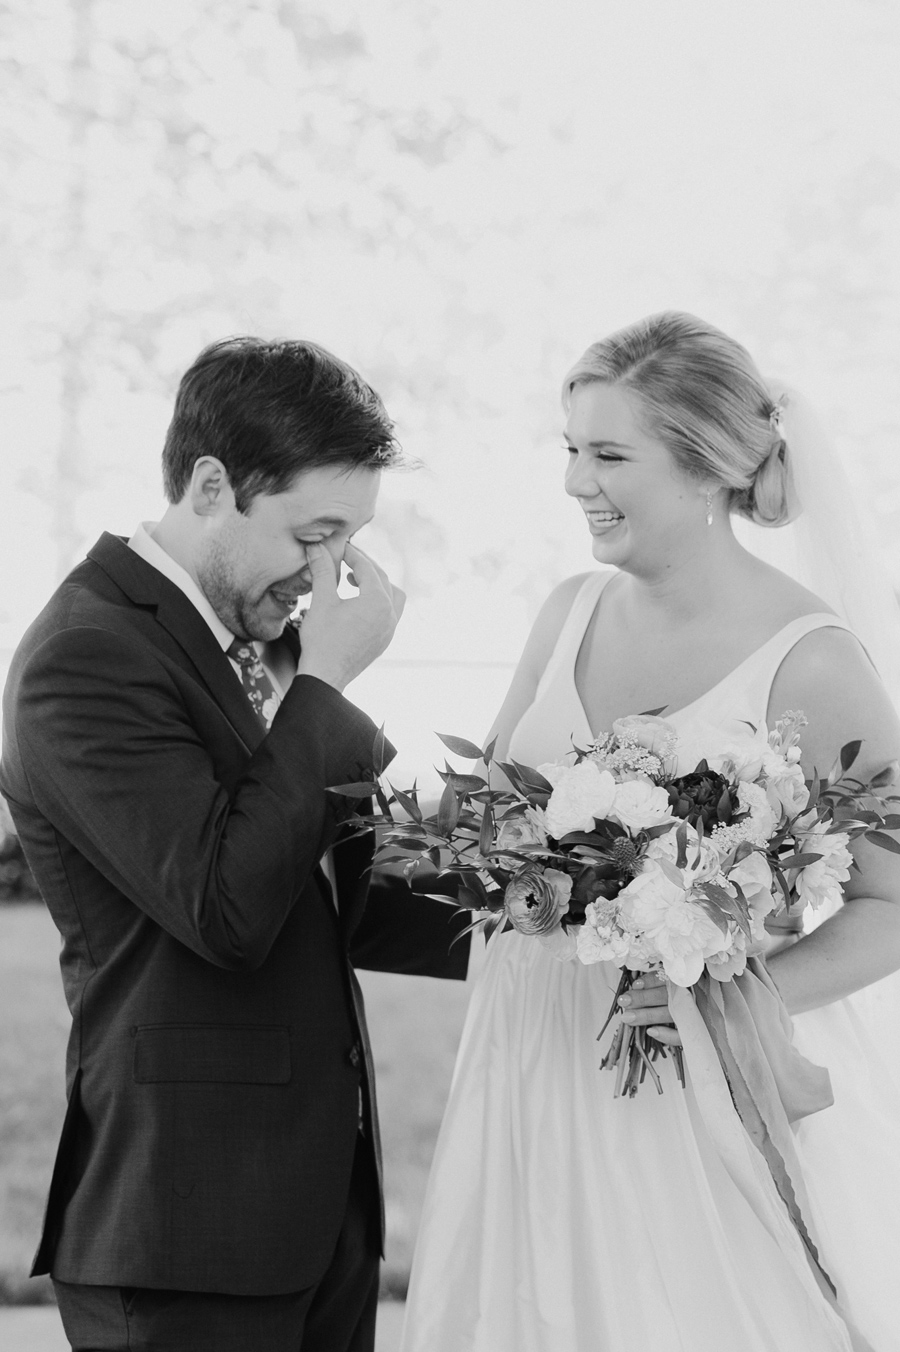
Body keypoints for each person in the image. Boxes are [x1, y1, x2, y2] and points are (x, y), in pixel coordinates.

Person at [399, 312, 900, 1351]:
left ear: (708, 464)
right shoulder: (568, 608)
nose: (577, 480)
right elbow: (493, 827)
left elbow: (893, 902)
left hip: (685, 1083)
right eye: (571, 448)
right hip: (524, 1056)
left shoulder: (812, 658)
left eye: (610, 454)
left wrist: (729, 992)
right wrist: (478, 847)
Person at [0, 337, 469, 1352]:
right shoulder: (86, 655)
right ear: (213, 485)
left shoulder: (258, 648)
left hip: (318, 1219)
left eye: (347, 540)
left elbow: (351, 894)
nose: (330, 573)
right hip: (184, 1236)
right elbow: (227, 907)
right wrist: (326, 690)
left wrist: (577, 901)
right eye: (315, 533)